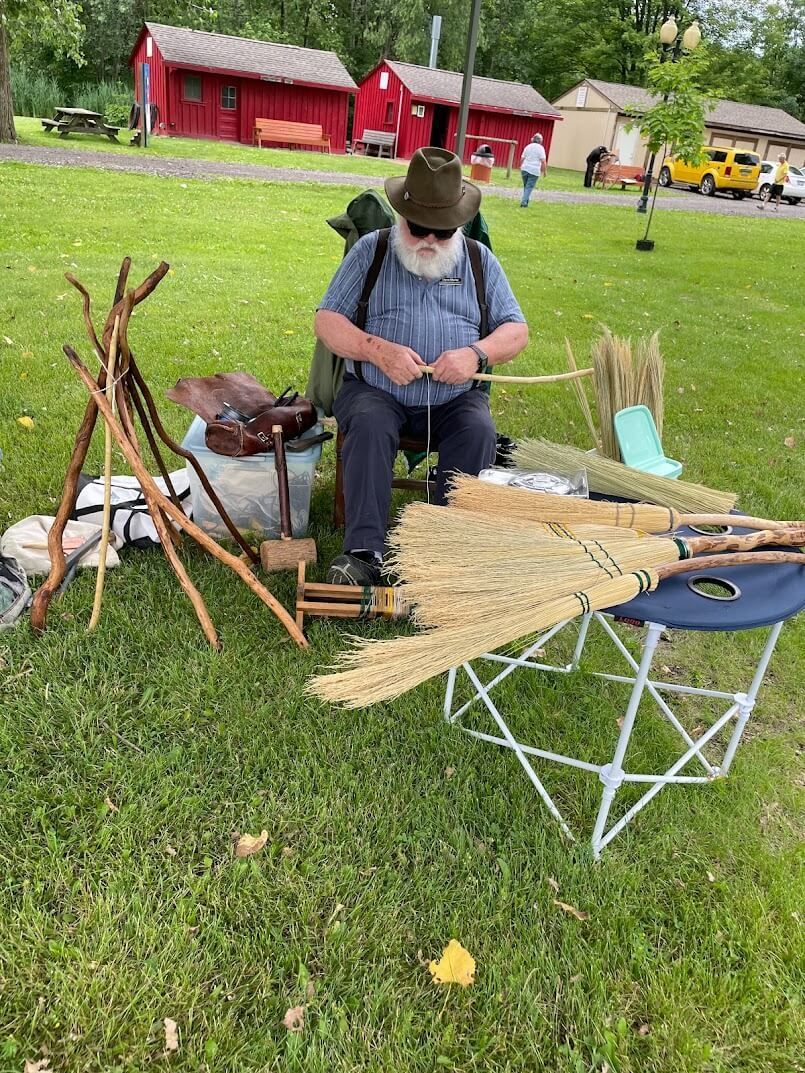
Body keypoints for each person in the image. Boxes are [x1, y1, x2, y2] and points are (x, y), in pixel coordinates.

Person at [314, 146, 529, 586]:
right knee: (371, 422)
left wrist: (475, 355)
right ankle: (364, 553)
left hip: (453, 398)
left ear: (459, 224)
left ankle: (441, 548)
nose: (430, 240)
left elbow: (516, 330)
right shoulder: (372, 251)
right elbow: (327, 321)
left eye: (443, 231)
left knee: (478, 430)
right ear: (401, 216)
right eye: (419, 228)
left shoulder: (477, 259)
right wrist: (378, 351)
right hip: (375, 390)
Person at [519, 133, 547, 207]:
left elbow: (522, 158)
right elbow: (543, 161)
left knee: (526, 186)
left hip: (525, 168)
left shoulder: (528, 147)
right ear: (540, 141)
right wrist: (544, 171)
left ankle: (525, 202)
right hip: (534, 170)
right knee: (529, 187)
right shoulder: (540, 148)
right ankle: (524, 202)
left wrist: (521, 166)